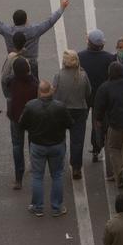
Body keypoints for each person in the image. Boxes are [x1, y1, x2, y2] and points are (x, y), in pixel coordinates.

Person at [0, 0, 69, 78]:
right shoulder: (35, 30)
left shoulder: (8, 31)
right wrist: (62, 7)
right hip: (31, 63)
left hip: (14, 61)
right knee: (33, 89)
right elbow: (50, 21)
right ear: (26, 19)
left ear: (14, 21)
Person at [19, 80, 73, 217]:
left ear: (39, 91)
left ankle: (38, 207)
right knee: (57, 175)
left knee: (37, 176)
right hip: (56, 145)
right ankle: (57, 207)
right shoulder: (60, 107)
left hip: (37, 145)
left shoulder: (31, 106)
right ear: (51, 90)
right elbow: (70, 124)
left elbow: (22, 124)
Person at [52, 50, 92, 180]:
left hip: (62, 110)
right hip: (79, 110)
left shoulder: (58, 75)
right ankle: (76, 167)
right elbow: (88, 92)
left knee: (60, 138)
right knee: (77, 140)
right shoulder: (83, 75)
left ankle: (58, 164)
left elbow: (53, 94)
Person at [78, 29, 116, 164]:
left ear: (89, 42)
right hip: (101, 96)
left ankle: (77, 152)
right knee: (98, 122)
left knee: (80, 124)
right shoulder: (110, 58)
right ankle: (96, 148)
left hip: (84, 95)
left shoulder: (80, 57)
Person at [3, 57, 39, 189]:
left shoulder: (12, 82)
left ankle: (18, 178)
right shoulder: (34, 84)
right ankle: (35, 169)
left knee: (17, 146)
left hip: (16, 117)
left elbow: (4, 78)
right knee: (33, 144)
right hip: (31, 118)